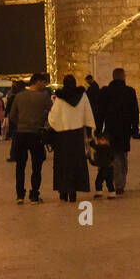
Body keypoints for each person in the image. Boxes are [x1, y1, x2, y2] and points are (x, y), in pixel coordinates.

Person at [48, 75, 96, 202]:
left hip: (62, 135)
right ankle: (73, 192)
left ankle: (63, 191)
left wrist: (57, 125)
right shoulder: (83, 96)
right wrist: (89, 133)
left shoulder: (60, 98)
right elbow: (88, 114)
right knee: (76, 163)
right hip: (77, 134)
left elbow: (53, 117)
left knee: (62, 164)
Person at [10, 72, 52, 203]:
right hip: (36, 134)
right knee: (36, 166)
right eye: (44, 82)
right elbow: (51, 114)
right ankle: (34, 195)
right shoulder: (44, 97)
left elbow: (12, 116)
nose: (45, 85)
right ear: (38, 82)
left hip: (21, 134)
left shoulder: (19, 96)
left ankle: (20, 195)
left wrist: (21, 124)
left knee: (20, 166)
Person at [97, 68, 140, 195]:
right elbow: (135, 111)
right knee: (122, 156)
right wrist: (135, 127)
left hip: (110, 128)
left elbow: (101, 112)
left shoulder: (106, 92)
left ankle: (113, 181)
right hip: (125, 129)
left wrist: (99, 129)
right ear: (123, 77)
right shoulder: (129, 92)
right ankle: (120, 183)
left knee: (112, 155)